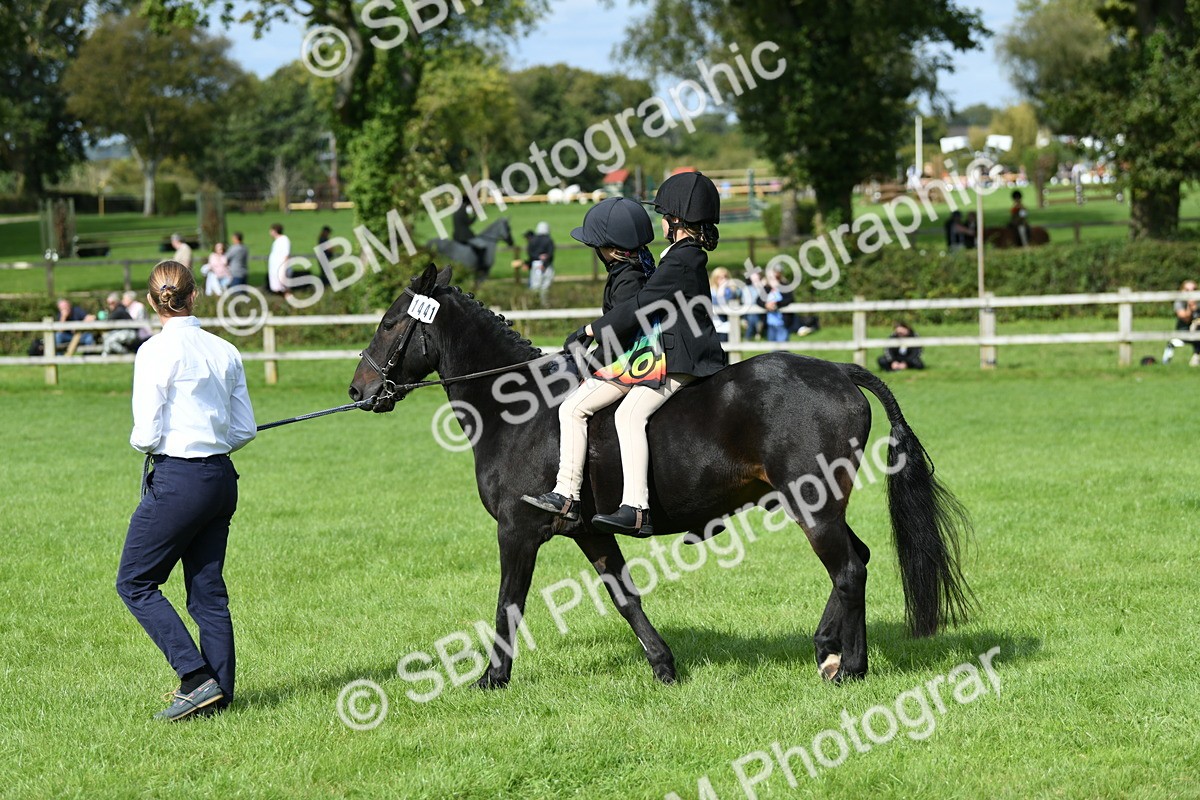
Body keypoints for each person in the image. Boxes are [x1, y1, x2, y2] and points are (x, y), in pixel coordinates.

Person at [525, 172, 727, 536]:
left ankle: (635, 508)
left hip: (680, 357)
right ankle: (568, 494)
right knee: (581, 407)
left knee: (629, 415)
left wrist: (590, 332)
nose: (662, 221)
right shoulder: (676, 257)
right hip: (666, 352)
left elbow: (641, 305)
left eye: (665, 215)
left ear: (677, 220)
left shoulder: (681, 259)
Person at [116, 260, 256, 721]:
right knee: (207, 591)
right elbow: (244, 429)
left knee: (135, 582)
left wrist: (164, 440)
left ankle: (196, 679)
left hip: (179, 481)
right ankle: (220, 693)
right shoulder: (226, 350)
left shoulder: (152, 352)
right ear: (194, 297)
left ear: (152, 301)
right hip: (221, 479)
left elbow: (145, 434)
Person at [520, 197, 657, 524]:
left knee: (572, 408)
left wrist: (586, 357)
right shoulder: (638, 267)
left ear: (611, 248)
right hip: (629, 355)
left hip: (631, 360)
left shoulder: (628, 279)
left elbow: (622, 331)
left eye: (597, 246)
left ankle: (567, 494)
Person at [1163, 280, 1200, 366]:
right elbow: (1185, 318)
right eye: (1187, 290)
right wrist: (1190, 308)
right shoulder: (1179, 302)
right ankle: (1165, 364)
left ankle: (1196, 359)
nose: (1190, 293)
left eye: (1193, 290)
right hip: (1184, 331)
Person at [526, 221, 555, 299]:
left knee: (535, 285)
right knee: (545, 285)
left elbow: (529, 252)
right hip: (546, 265)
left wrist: (538, 257)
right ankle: (544, 302)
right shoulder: (549, 240)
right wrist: (544, 264)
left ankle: (534, 301)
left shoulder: (533, 240)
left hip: (535, 264)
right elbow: (550, 253)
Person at [267, 223, 291, 297]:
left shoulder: (284, 240)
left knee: (284, 289)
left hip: (281, 268)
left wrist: (284, 268)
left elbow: (286, 254)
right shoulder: (277, 241)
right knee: (278, 289)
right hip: (275, 269)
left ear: (274, 231)